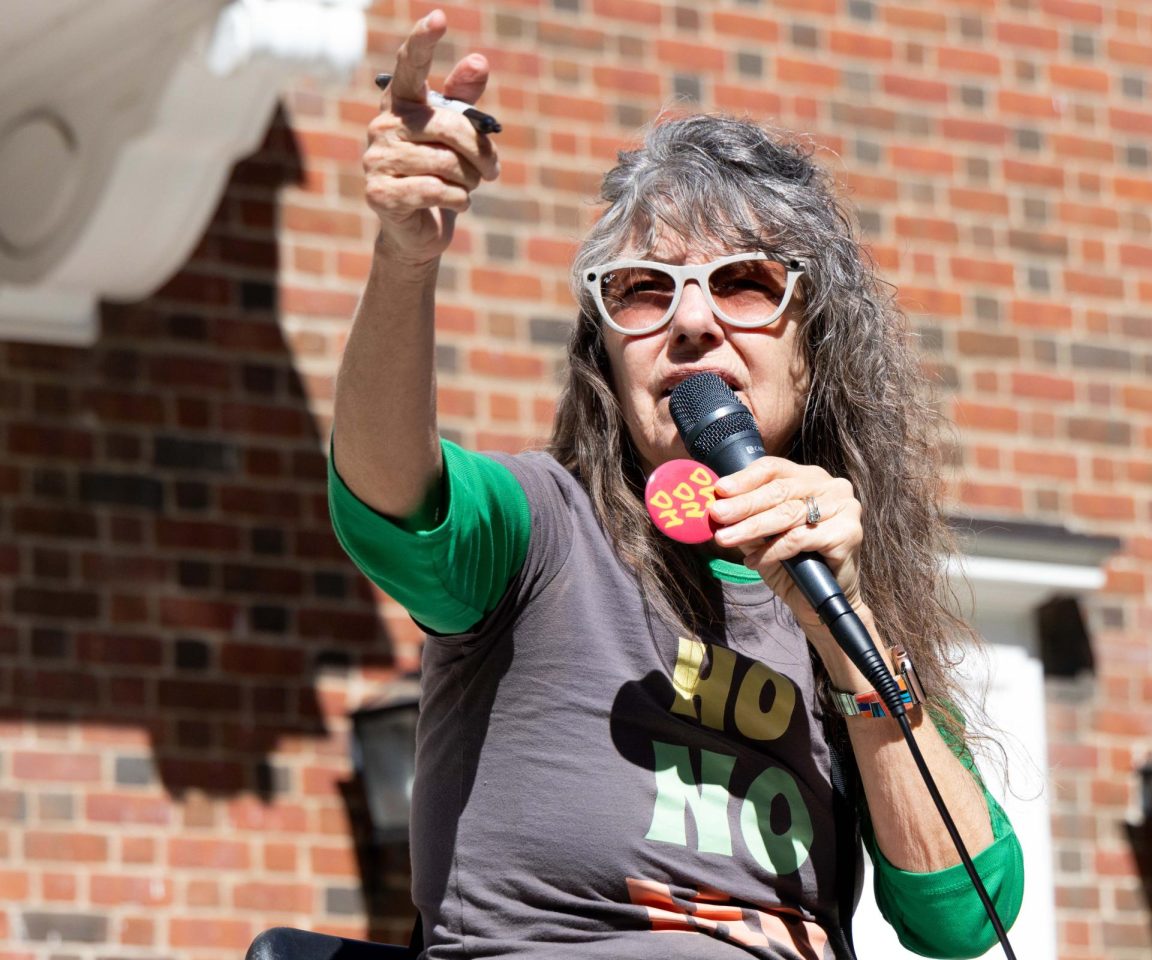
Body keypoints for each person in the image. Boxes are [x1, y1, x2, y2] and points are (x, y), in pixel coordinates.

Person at [329, 10, 1023, 959]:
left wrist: (847, 639)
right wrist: (405, 260)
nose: (692, 320)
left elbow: (963, 917)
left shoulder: (851, 602)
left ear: (814, 349)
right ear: (606, 356)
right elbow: (387, 495)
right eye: (644, 289)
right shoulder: (540, 530)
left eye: (743, 282)